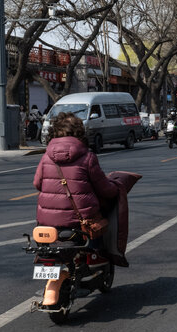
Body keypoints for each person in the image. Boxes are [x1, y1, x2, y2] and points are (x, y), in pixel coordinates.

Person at [32, 112, 119, 307]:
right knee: (99, 223)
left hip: (46, 224)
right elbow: (104, 188)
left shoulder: (47, 156)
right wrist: (116, 189)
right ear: (80, 132)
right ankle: (96, 256)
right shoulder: (88, 156)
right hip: (80, 224)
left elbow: (37, 183)